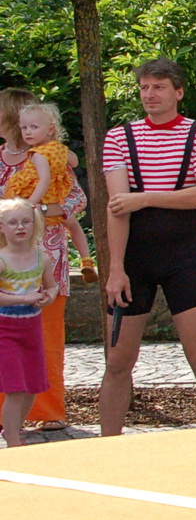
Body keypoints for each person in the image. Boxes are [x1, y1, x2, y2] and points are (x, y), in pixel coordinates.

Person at [101, 59, 196, 435]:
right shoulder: (119, 137)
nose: (149, 95)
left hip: (183, 257)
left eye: (158, 87)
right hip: (134, 260)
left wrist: (145, 199)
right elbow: (118, 207)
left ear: (178, 92)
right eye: (143, 88)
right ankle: (105, 446)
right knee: (118, 360)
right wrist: (115, 269)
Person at [0, 91, 89, 431]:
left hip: (47, 259)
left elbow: (76, 197)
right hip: (4, 265)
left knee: (46, 338)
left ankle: (48, 410)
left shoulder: (54, 156)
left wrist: (46, 210)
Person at [7, 102, 97, 277]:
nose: (27, 132)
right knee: (73, 225)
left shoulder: (38, 155)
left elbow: (44, 179)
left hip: (39, 196)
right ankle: (86, 259)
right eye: (24, 127)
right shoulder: (61, 150)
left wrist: (31, 204)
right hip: (57, 197)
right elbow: (75, 162)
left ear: (49, 130)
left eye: (33, 127)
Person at [0, 198, 54, 447]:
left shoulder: (41, 259)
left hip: (31, 329)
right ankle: (12, 439)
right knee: (16, 387)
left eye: (25, 222)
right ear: (2, 227)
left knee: (32, 386)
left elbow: (52, 287)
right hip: (5, 330)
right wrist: (23, 298)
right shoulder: (2, 260)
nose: (20, 227)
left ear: (34, 225)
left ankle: (14, 429)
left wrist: (46, 297)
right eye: (12, 223)